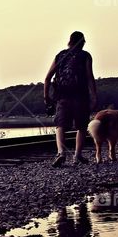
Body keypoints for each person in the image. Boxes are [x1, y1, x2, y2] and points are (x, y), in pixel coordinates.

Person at [43, 31, 98, 167]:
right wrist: (94, 96)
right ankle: (77, 155)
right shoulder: (85, 56)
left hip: (62, 95)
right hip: (80, 95)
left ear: (70, 41)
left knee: (60, 125)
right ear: (83, 42)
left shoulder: (60, 55)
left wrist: (46, 96)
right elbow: (89, 77)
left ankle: (61, 152)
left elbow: (47, 78)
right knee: (82, 126)